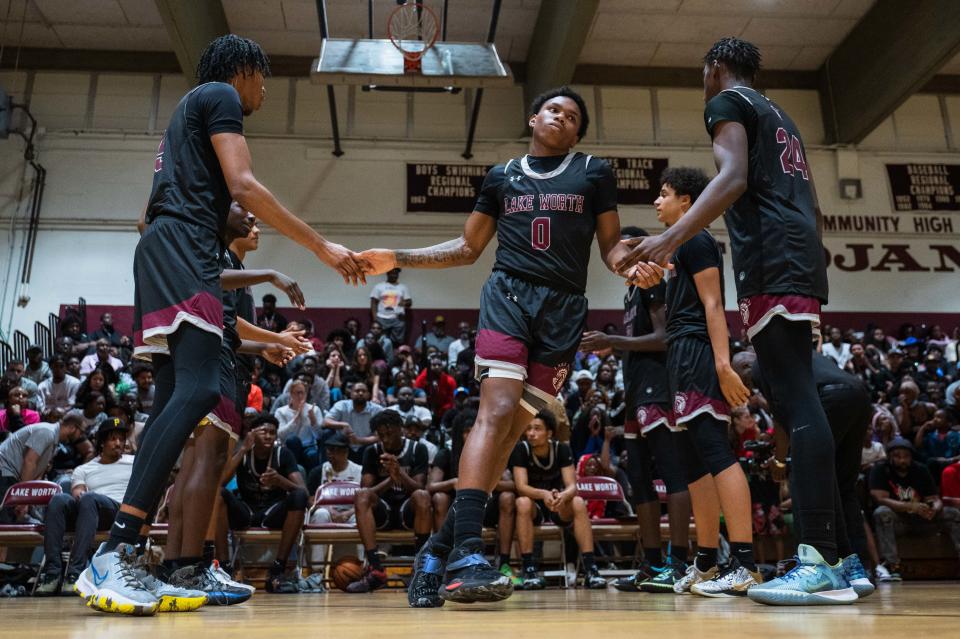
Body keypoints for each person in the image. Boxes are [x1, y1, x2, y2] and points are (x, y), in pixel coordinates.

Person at [78, 34, 366, 617]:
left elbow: (144, 216)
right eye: (262, 79)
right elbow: (245, 187)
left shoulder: (189, 119)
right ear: (246, 70)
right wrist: (322, 246)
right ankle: (117, 552)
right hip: (185, 251)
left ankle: (141, 557)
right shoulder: (218, 94)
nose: (262, 92)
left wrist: (178, 241)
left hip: (176, 249)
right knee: (201, 390)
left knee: (173, 403)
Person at [359, 85, 647, 606]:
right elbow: (468, 247)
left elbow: (611, 249)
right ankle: (469, 548)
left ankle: (435, 553)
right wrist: (397, 255)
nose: (561, 117)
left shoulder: (594, 173)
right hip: (509, 295)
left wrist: (639, 260)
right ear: (534, 118)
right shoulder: (501, 176)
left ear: (578, 132)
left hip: (563, 311)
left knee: (510, 433)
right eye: (553, 109)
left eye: (573, 115)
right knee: (496, 407)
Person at [615, 38, 850, 606]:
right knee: (800, 403)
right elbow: (814, 206)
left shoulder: (728, 103)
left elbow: (734, 177)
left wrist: (667, 241)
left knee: (798, 405)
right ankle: (842, 557)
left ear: (713, 69)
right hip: (799, 255)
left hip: (773, 258)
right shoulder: (783, 116)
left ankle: (818, 560)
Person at [635, 167, 760, 598]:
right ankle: (706, 561)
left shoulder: (697, 238)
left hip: (699, 353)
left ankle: (744, 562)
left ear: (687, 201)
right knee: (693, 463)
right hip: (681, 356)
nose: (657, 201)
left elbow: (713, 305)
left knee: (714, 451)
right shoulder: (678, 245)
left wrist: (723, 365)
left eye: (664, 194)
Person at [582, 225, 692, 593]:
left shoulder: (655, 284)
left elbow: (664, 339)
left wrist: (611, 340)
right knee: (641, 479)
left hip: (658, 388)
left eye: (625, 253)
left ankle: (678, 564)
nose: (619, 261)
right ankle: (652, 564)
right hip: (635, 390)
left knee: (673, 474)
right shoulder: (632, 292)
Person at [733, 350, 874, 598]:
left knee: (805, 475)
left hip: (828, 397)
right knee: (842, 486)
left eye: (743, 381)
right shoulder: (797, 354)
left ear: (745, 366)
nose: (749, 388)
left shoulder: (763, 364)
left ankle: (812, 565)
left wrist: (779, 461)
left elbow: (783, 416)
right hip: (859, 396)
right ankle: (857, 571)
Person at [36, 418, 134, 595]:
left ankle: (74, 573)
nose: (118, 443)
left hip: (118, 513)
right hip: (89, 511)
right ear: (102, 443)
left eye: (121, 439)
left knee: (89, 499)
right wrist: (83, 496)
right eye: (113, 438)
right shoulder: (84, 469)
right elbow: (78, 493)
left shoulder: (134, 462)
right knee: (58, 500)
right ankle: (52, 573)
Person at [511, 411, 606, 590]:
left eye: (537, 429)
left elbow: (572, 486)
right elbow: (521, 487)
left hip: (558, 504)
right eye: (528, 428)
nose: (531, 433)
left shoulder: (561, 448)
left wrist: (563, 496)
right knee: (522, 502)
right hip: (535, 505)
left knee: (577, 502)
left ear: (549, 433)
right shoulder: (521, 449)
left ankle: (591, 569)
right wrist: (544, 494)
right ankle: (529, 570)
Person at [427, 410, 518, 589]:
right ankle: (442, 556)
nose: (471, 435)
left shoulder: (491, 453)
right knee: (439, 498)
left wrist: (484, 483)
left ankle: (505, 563)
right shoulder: (446, 453)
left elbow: (511, 485)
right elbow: (431, 486)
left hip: (485, 508)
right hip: (456, 514)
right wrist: (454, 482)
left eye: (473, 430)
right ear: (458, 433)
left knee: (507, 497)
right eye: (466, 431)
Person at [219, 415, 309, 592]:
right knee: (219, 493)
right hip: (246, 511)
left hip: (272, 513)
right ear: (252, 433)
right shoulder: (243, 453)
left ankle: (278, 569)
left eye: (273, 433)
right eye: (264, 432)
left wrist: (280, 481)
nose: (269, 436)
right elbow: (221, 480)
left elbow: (304, 492)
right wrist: (244, 448)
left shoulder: (283, 454)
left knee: (298, 496)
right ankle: (224, 568)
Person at [346, 411, 431, 593]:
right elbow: (367, 490)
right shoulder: (372, 452)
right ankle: (376, 569)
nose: (385, 439)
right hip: (382, 512)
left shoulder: (417, 449)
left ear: (400, 430)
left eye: (389, 434)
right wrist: (391, 479)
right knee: (361, 495)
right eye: (381, 435)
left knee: (423, 496)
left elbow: (420, 487)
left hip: (407, 511)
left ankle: (420, 569)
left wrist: (399, 473)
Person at [870, 438, 960, 581]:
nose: (902, 460)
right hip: (900, 521)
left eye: (906, 456)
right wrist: (910, 506)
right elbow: (880, 498)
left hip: (923, 519)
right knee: (882, 513)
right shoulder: (881, 469)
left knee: (953, 514)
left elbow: (935, 498)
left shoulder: (920, 469)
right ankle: (893, 566)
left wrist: (933, 510)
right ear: (890, 457)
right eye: (898, 456)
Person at [0, 414, 85, 518]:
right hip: (4, 470)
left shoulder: (54, 440)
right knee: (5, 521)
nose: (81, 436)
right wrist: (23, 498)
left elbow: (37, 472)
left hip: (11, 474)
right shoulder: (47, 432)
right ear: (72, 428)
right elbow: (29, 462)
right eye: (81, 432)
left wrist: (28, 499)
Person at [324, 382, 383, 460]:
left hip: (367, 447)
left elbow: (379, 436)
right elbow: (325, 422)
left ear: (369, 395)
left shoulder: (377, 410)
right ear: (351, 394)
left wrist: (359, 440)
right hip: (343, 445)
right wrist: (343, 425)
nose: (361, 393)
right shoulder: (341, 405)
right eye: (357, 391)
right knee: (326, 434)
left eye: (364, 391)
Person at [275, 380, 324, 472]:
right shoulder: (281, 411)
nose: (300, 396)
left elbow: (319, 436)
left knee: (312, 455)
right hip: (289, 446)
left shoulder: (314, 410)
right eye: (297, 393)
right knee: (293, 440)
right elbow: (280, 434)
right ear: (291, 394)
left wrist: (313, 421)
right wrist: (296, 418)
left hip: (308, 446)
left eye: (303, 393)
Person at [370, 268, 412, 346]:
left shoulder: (403, 287)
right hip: (382, 318)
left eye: (396, 273)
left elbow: (409, 302)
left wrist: (405, 303)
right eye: (392, 273)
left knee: (398, 342)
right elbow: (373, 303)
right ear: (387, 273)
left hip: (398, 319)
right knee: (381, 341)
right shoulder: (379, 286)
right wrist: (375, 319)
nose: (394, 275)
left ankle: (395, 357)